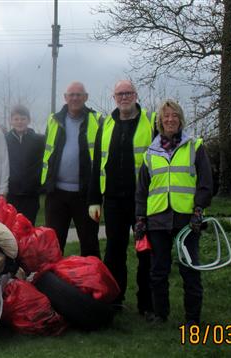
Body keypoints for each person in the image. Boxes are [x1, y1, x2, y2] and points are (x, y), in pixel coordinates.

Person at [135, 99, 213, 325]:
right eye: (166, 116)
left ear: (180, 119)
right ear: (160, 121)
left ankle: (192, 319)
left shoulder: (194, 146)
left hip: (187, 220)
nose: (170, 120)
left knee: (190, 269)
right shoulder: (151, 152)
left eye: (174, 116)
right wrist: (140, 218)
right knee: (158, 270)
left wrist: (199, 210)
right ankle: (161, 314)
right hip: (157, 219)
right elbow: (142, 189)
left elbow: (206, 183)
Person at [88, 80, 156, 314]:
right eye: (119, 94)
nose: (124, 97)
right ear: (113, 97)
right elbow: (97, 163)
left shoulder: (151, 122)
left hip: (143, 200)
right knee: (114, 252)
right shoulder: (106, 124)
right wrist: (94, 199)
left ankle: (146, 304)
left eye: (128, 93)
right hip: (114, 200)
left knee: (145, 251)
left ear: (136, 95)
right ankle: (115, 299)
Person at [41, 81, 102, 257]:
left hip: (85, 195)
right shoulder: (53, 120)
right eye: (71, 94)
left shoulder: (97, 120)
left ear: (86, 97)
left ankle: (90, 281)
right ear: (65, 98)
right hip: (56, 194)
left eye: (79, 94)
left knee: (89, 244)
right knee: (53, 244)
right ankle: (53, 281)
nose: (75, 98)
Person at [5, 104, 44, 224]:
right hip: (12, 193)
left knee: (28, 226)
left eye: (23, 119)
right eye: (16, 119)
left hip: (31, 194)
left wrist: (39, 183)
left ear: (29, 120)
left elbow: (45, 162)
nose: (19, 122)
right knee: (12, 226)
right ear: (11, 121)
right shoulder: (5, 140)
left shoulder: (39, 140)